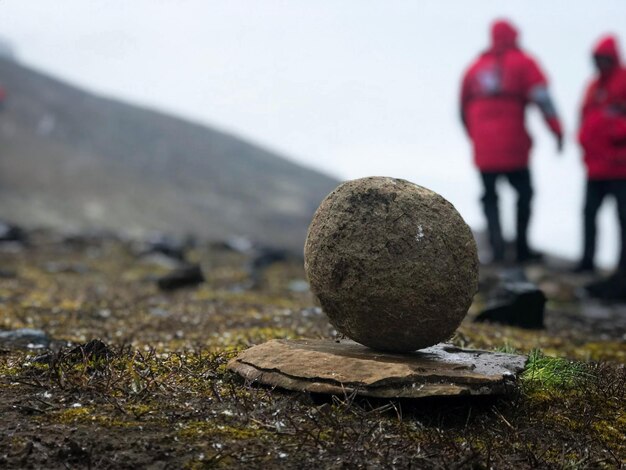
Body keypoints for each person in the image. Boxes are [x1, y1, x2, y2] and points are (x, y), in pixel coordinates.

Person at [460, 19, 563, 263]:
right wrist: (556, 131)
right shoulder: (524, 63)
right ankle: (521, 249)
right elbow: (543, 100)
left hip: (484, 149)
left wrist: (476, 137)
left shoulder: (474, 68)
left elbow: (462, 110)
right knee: (524, 193)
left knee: (490, 196)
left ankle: (496, 250)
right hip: (514, 147)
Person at [576, 35, 626, 273]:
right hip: (596, 167)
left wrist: (615, 131)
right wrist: (583, 141)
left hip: (620, 167)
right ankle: (587, 261)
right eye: (598, 59)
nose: (601, 63)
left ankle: (622, 267)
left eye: (605, 58)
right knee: (588, 214)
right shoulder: (593, 87)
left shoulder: (624, 82)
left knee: (623, 218)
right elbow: (585, 118)